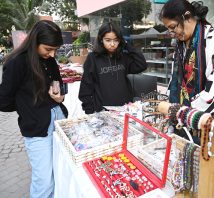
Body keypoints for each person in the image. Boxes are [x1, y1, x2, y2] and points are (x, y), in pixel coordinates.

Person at [0, 20, 66, 198]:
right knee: (44, 182)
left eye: (55, 49)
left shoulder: (50, 60)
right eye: (48, 49)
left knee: (60, 172)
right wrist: (27, 105)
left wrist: (60, 96)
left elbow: (58, 84)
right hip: (37, 127)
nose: (52, 54)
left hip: (58, 119)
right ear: (34, 41)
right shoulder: (16, 63)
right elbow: (3, 101)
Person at [159, 0, 214, 119]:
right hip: (180, 115)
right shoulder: (180, 45)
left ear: (187, 16)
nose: (172, 33)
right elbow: (174, 80)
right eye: (169, 30)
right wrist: (171, 107)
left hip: (205, 119)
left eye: (173, 27)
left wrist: (184, 113)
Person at [78, 22, 147, 114]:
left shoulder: (123, 57)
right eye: (108, 40)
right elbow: (85, 87)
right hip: (103, 111)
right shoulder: (93, 58)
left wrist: (127, 45)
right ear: (101, 39)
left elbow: (141, 65)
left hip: (125, 109)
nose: (112, 44)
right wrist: (89, 112)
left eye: (116, 40)